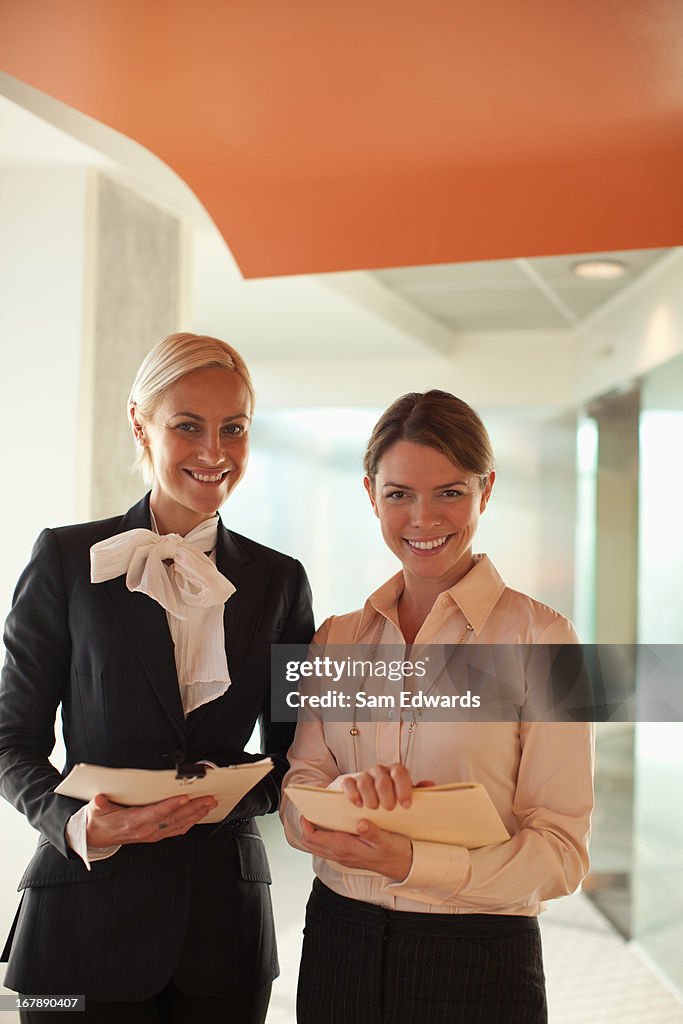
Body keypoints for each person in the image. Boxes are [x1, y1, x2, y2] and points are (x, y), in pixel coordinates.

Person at [0, 333, 314, 1023]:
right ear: (139, 423)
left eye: (233, 428)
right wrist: (78, 824)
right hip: (78, 924)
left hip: (223, 934)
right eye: (187, 426)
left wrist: (223, 794)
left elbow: (297, 754)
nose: (214, 451)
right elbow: (9, 740)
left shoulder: (279, 580)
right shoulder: (65, 559)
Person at [281, 390, 594, 1024]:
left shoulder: (543, 639)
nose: (423, 518)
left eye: (450, 492)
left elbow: (562, 852)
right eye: (399, 494)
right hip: (338, 942)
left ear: (487, 490)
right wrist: (336, 801)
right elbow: (300, 787)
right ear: (371, 495)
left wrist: (417, 862)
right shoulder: (336, 638)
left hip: (476, 956)